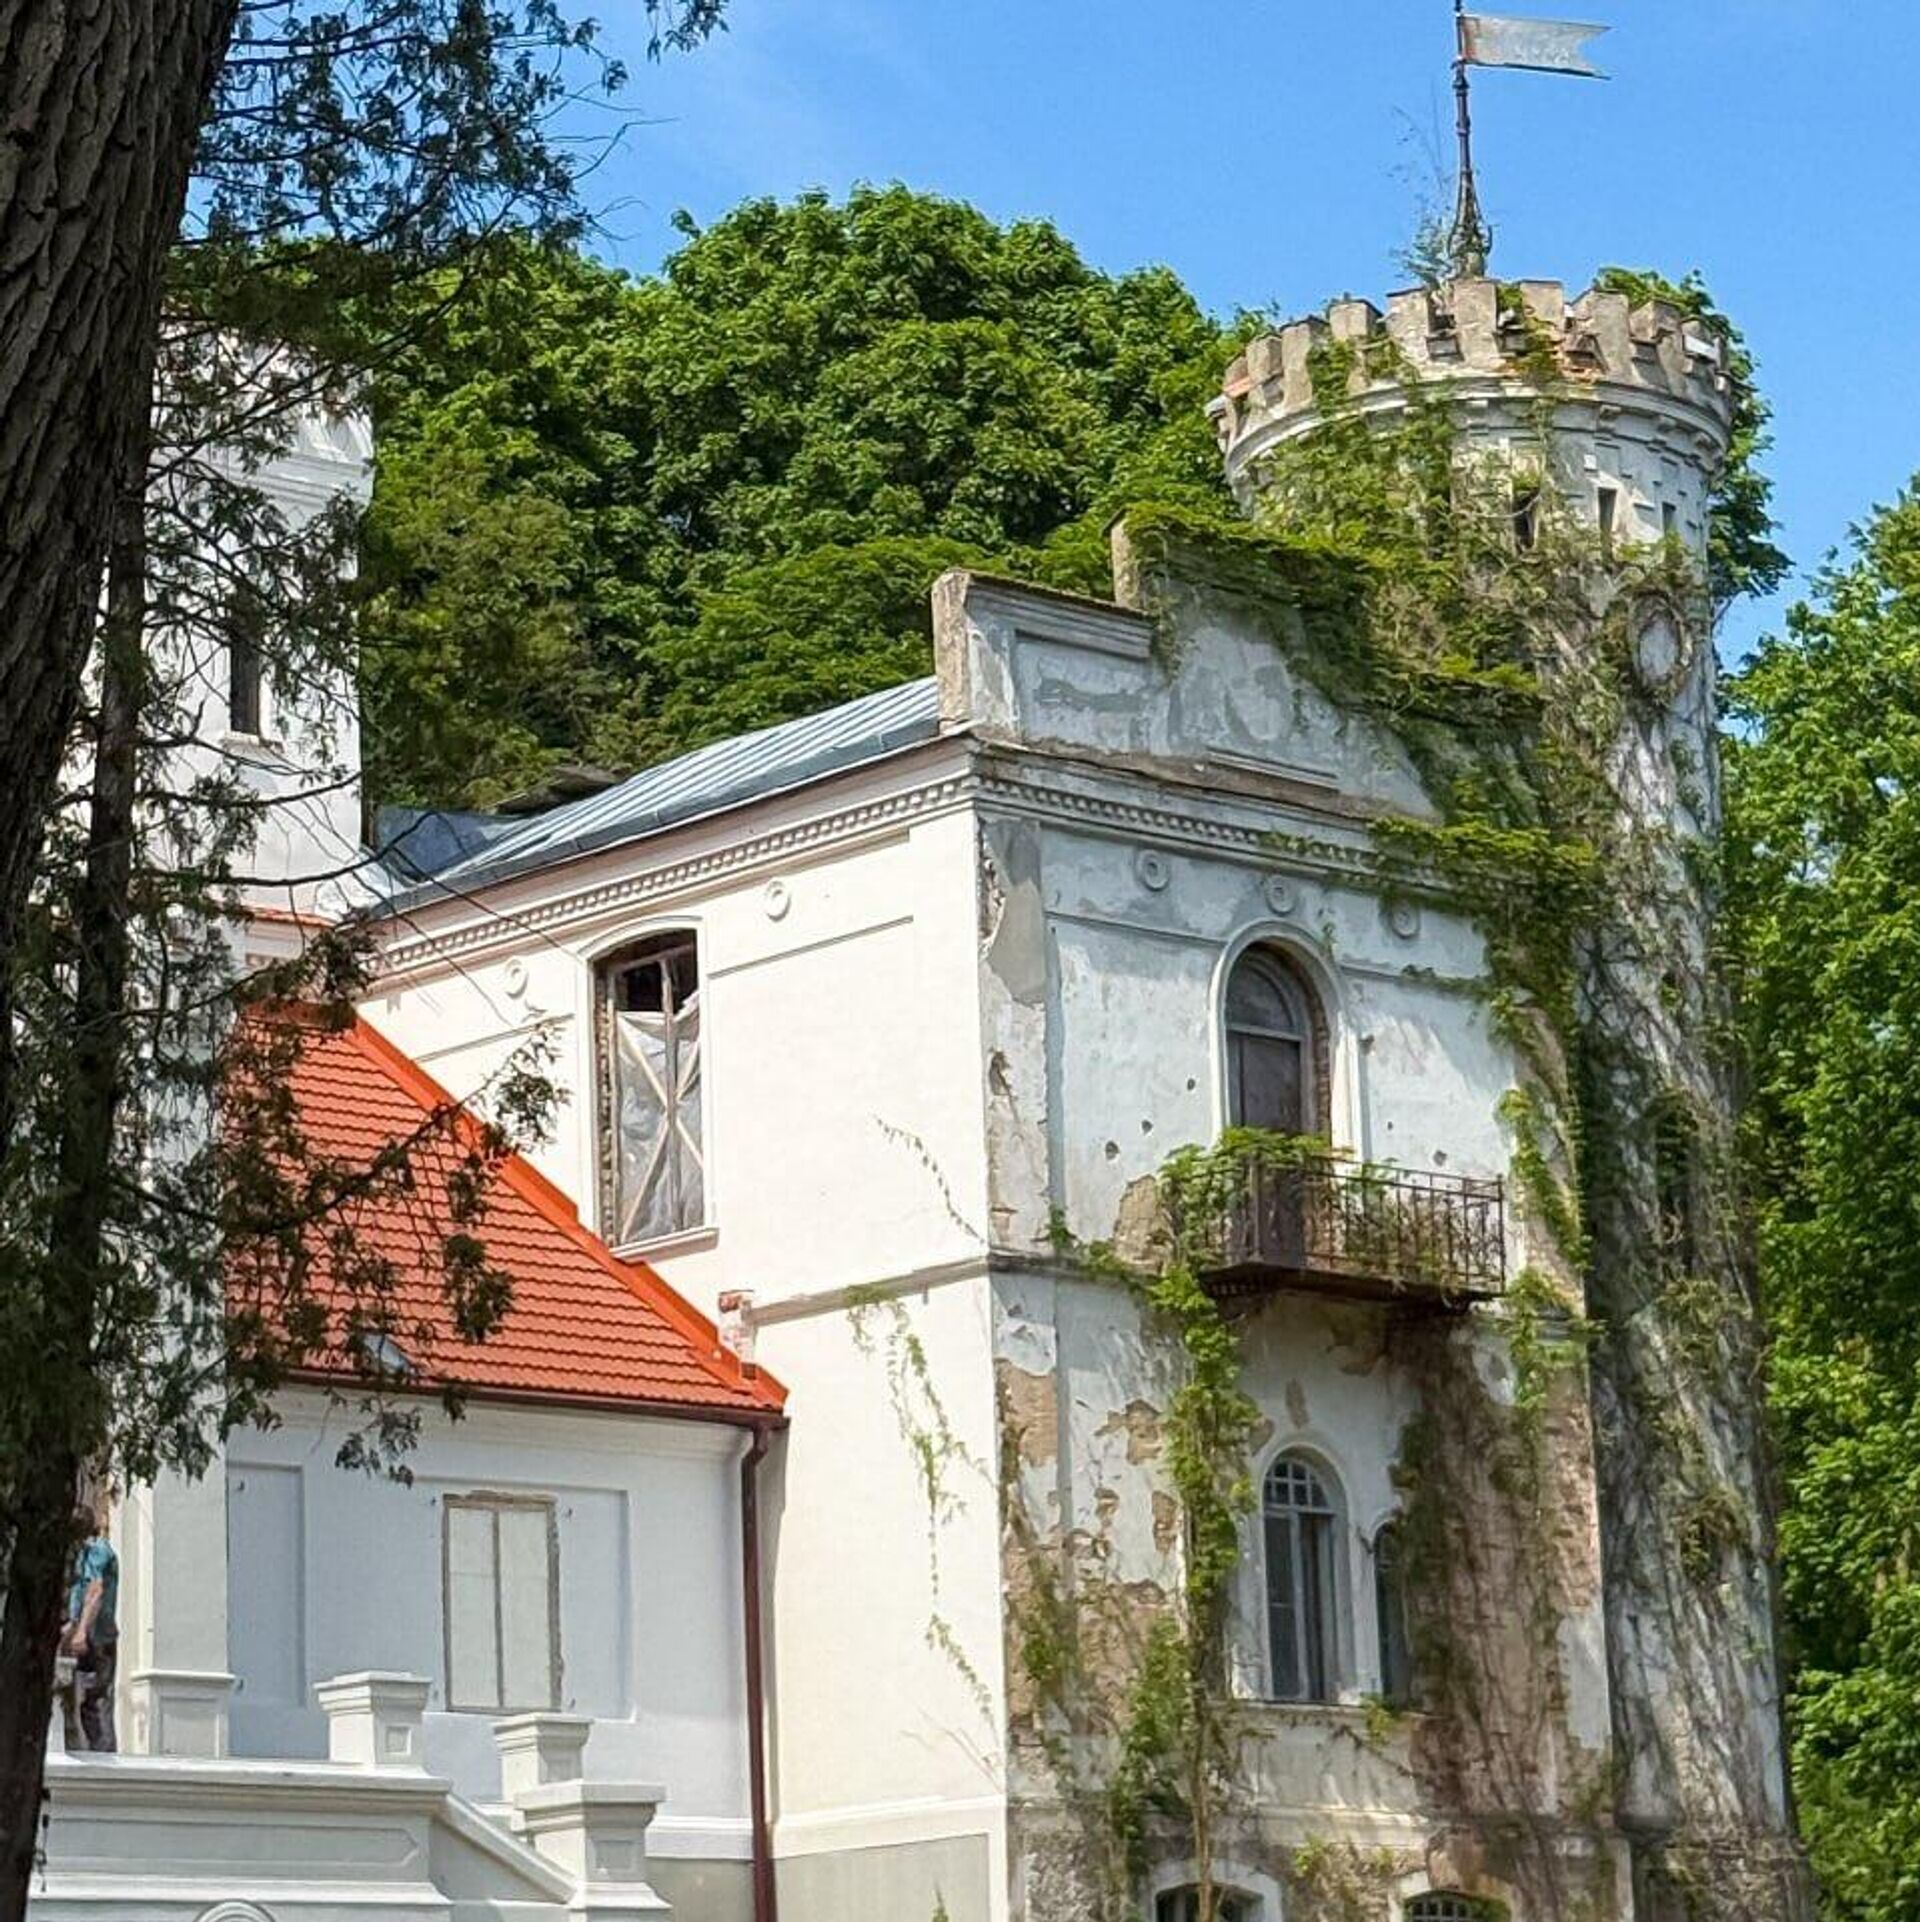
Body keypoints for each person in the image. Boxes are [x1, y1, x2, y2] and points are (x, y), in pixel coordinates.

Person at [62, 1499, 119, 1753]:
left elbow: (95, 1592)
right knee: (77, 1700)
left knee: (95, 1701)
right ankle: (83, 1754)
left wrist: (82, 1632)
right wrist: (70, 1628)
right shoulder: (84, 1554)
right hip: (87, 1635)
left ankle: (103, 1761)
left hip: (97, 1640)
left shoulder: (97, 1550)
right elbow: (80, 1596)